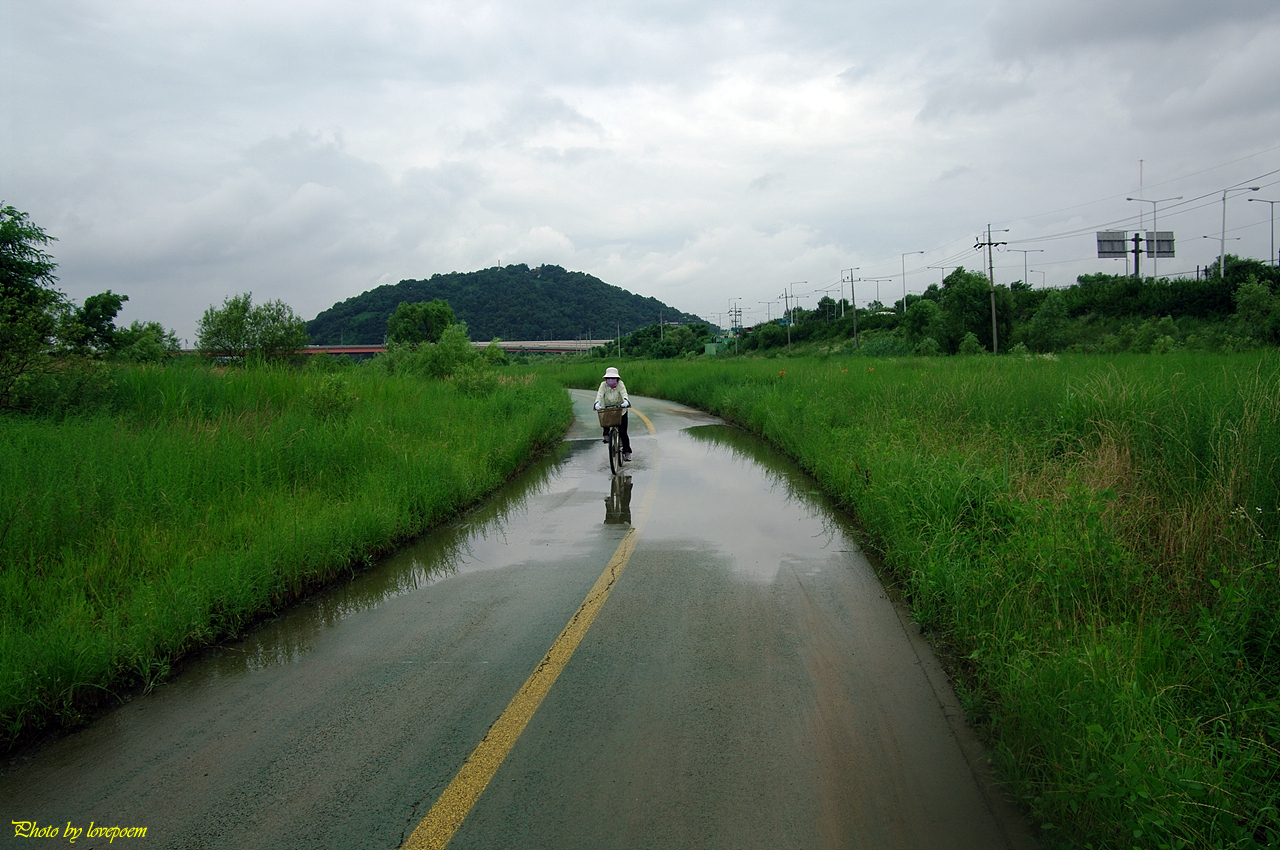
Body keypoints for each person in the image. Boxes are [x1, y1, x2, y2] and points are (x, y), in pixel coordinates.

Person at [594, 366, 632, 461]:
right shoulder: (603, 385)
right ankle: (606, 435)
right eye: (609, 378)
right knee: (604, 419)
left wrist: (626, 402)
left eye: (613, 378)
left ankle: (627, 452)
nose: (611, 380)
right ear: (606, 379)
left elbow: (624, 394)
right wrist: (597, 403)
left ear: (617, 379)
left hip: (620, 409)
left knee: (623, 433)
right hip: (609, 409)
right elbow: (599, 395)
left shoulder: (620, 384)